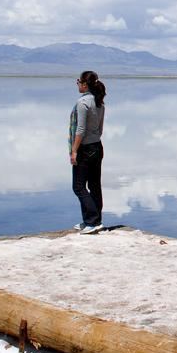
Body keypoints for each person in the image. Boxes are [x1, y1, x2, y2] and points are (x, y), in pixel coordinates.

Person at [70, 70, 106, 234]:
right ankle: (94, 220)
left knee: (78, 187)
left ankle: (92, 221)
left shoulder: (83, 103)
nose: (77, 84)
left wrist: (74, 151)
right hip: (97, 147)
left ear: (85, 84)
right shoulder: (99, 102)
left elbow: (80, 129)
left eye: (78, 81)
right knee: (94, 185)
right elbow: (100, 129)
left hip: (85, 148)